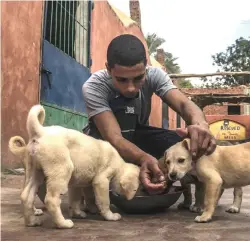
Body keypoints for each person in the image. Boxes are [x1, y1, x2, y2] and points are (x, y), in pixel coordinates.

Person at [81, 34, 216, 195]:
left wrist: (200, 125)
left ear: (146, 67)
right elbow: (114, 138)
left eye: (138, 78)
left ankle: (176, 181)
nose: (131, 87)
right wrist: (143, 158)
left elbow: (184, 104)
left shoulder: (155, 75)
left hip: (136, 134)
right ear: (109, 69)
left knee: (180, 144)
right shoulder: (94, 86)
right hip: (104, 143)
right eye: (122, 80)